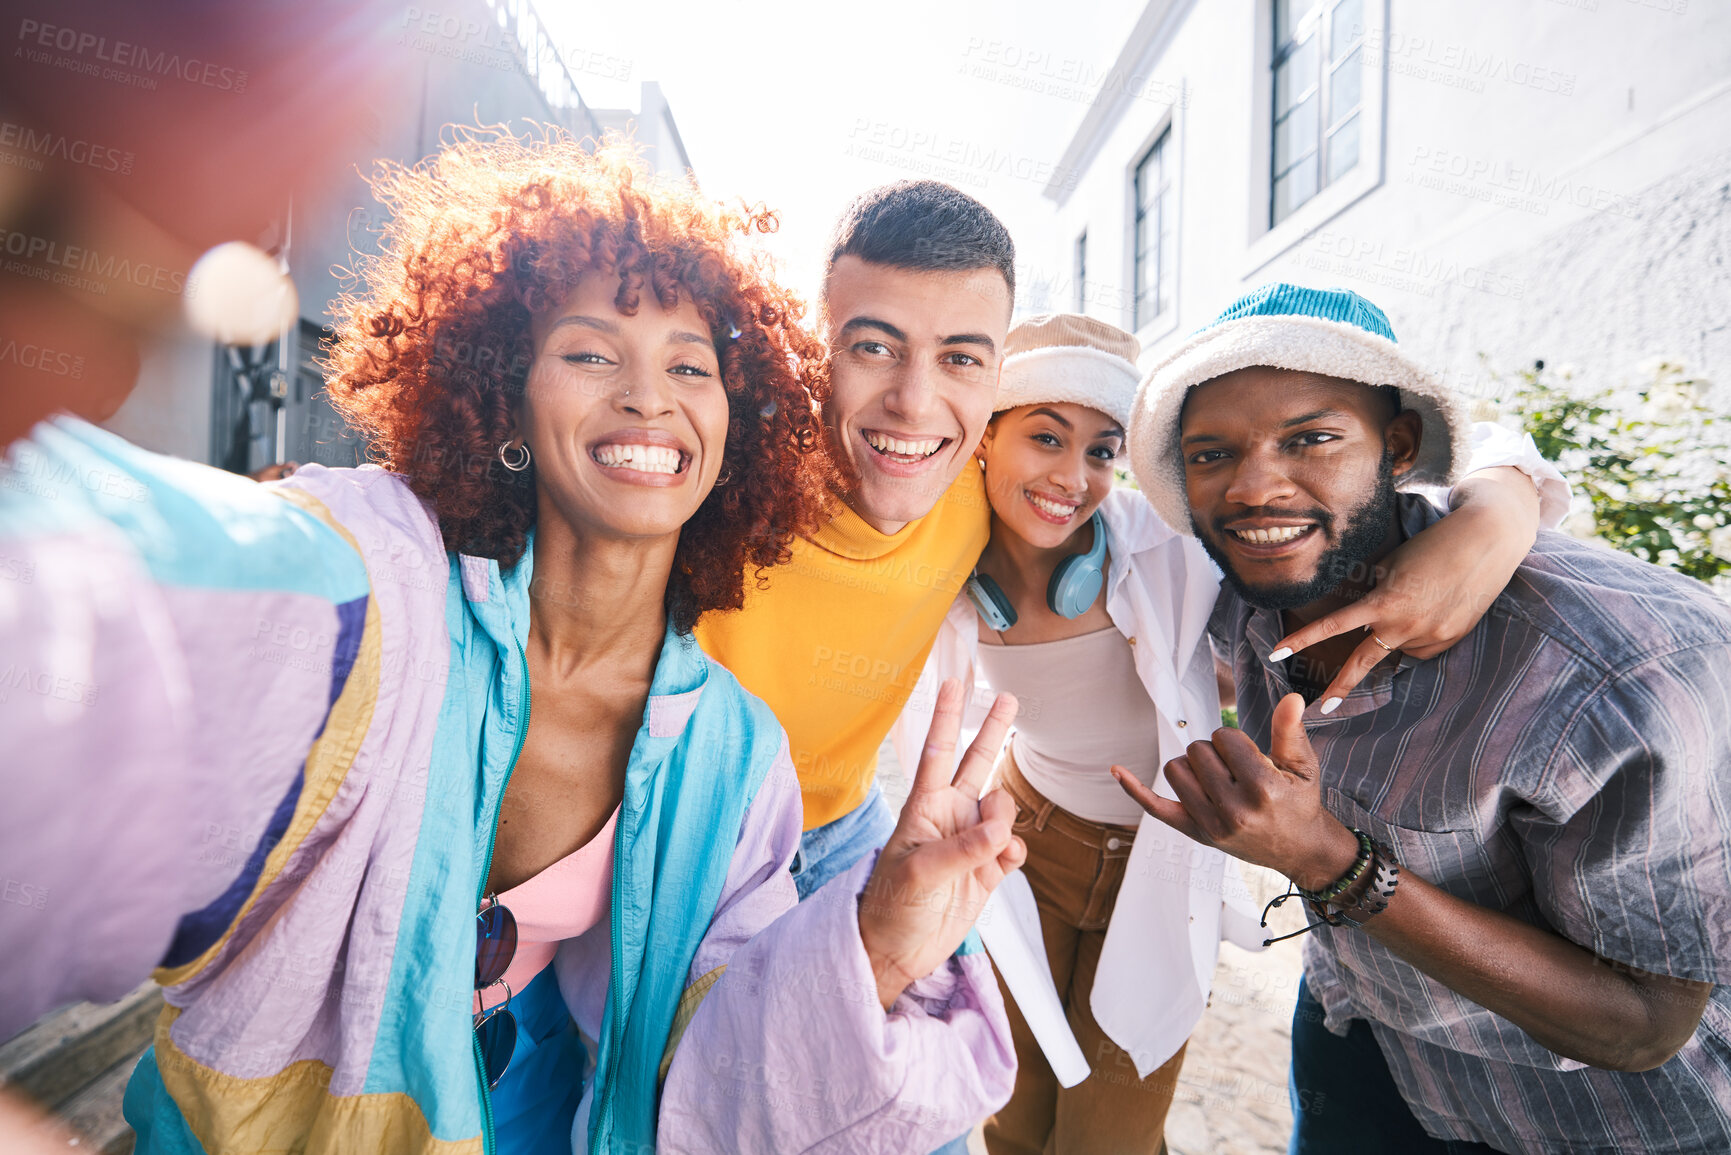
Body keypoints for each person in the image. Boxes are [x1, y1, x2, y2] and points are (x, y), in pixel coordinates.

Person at [0, 134, 1027, 1154]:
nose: (648, 395)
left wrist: (881, 950)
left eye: (690, 364)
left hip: (552, 1090)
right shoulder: (375, 590)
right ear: (504, 402)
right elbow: (137, 606)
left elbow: (716, 1064)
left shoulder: (732, 755)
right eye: (590, 352)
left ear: (739, 425)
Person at [893, 312, 1567, 1155]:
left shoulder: (1169, 547)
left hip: (1156, 852)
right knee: (1014, 1100)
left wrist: (1495, 511)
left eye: (1103, 449)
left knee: (1112, 1126)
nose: (1073, 476)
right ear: (985, 438)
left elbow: (1492, 450)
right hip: (1027, 842)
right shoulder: (929, 565)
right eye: (1044, 436)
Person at [1117, 283, 1731, 1155]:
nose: (1252, 487)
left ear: (1399, 446)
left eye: (1311, 438)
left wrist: (1321, 859)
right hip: (1357, 1035)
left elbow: (1644, 1022)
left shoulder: (1620, 667)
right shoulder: (1235, 590)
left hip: (1576, 1120)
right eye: (1211, 454)